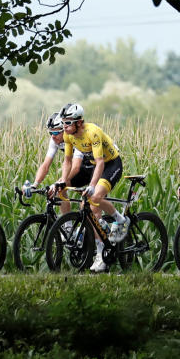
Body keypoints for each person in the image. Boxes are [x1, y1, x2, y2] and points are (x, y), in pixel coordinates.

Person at [52, 102, 127, 273]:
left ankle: (120, 220)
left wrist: (92, 186)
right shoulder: (68, 136)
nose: (64, 126)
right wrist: (63, 179)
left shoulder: (92, 132)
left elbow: (101, 163)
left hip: (111, 164)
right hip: (96, 166)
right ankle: (101, 237)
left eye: (68, 122)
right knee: (88, 207)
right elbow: (68, 161)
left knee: (94, 198)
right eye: (63, 122)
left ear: (79, 122)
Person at [24, 111, 86, 217]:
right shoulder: (54, 140)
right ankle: (68, 228)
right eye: (50, 133)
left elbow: (75, 167)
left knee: (87, 206)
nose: (53, 136)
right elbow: (45, 165)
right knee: (60, 191)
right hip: (82, 166)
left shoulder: (75, 138)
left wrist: (59, 182)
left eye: (56, 133)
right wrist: (35, 184)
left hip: (95, 165)